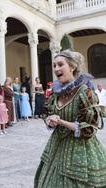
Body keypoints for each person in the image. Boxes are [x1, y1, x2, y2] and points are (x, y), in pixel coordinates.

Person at [34, 50, 106, 188]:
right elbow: (48, 114)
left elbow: (90, 128)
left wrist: (61, 121)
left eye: (60, 65)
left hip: (80, 148)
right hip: (56, 146)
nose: (56, 69)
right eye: (54, 65)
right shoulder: (56, 94)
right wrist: (50, 121)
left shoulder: (85, 92)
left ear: (72, 67)